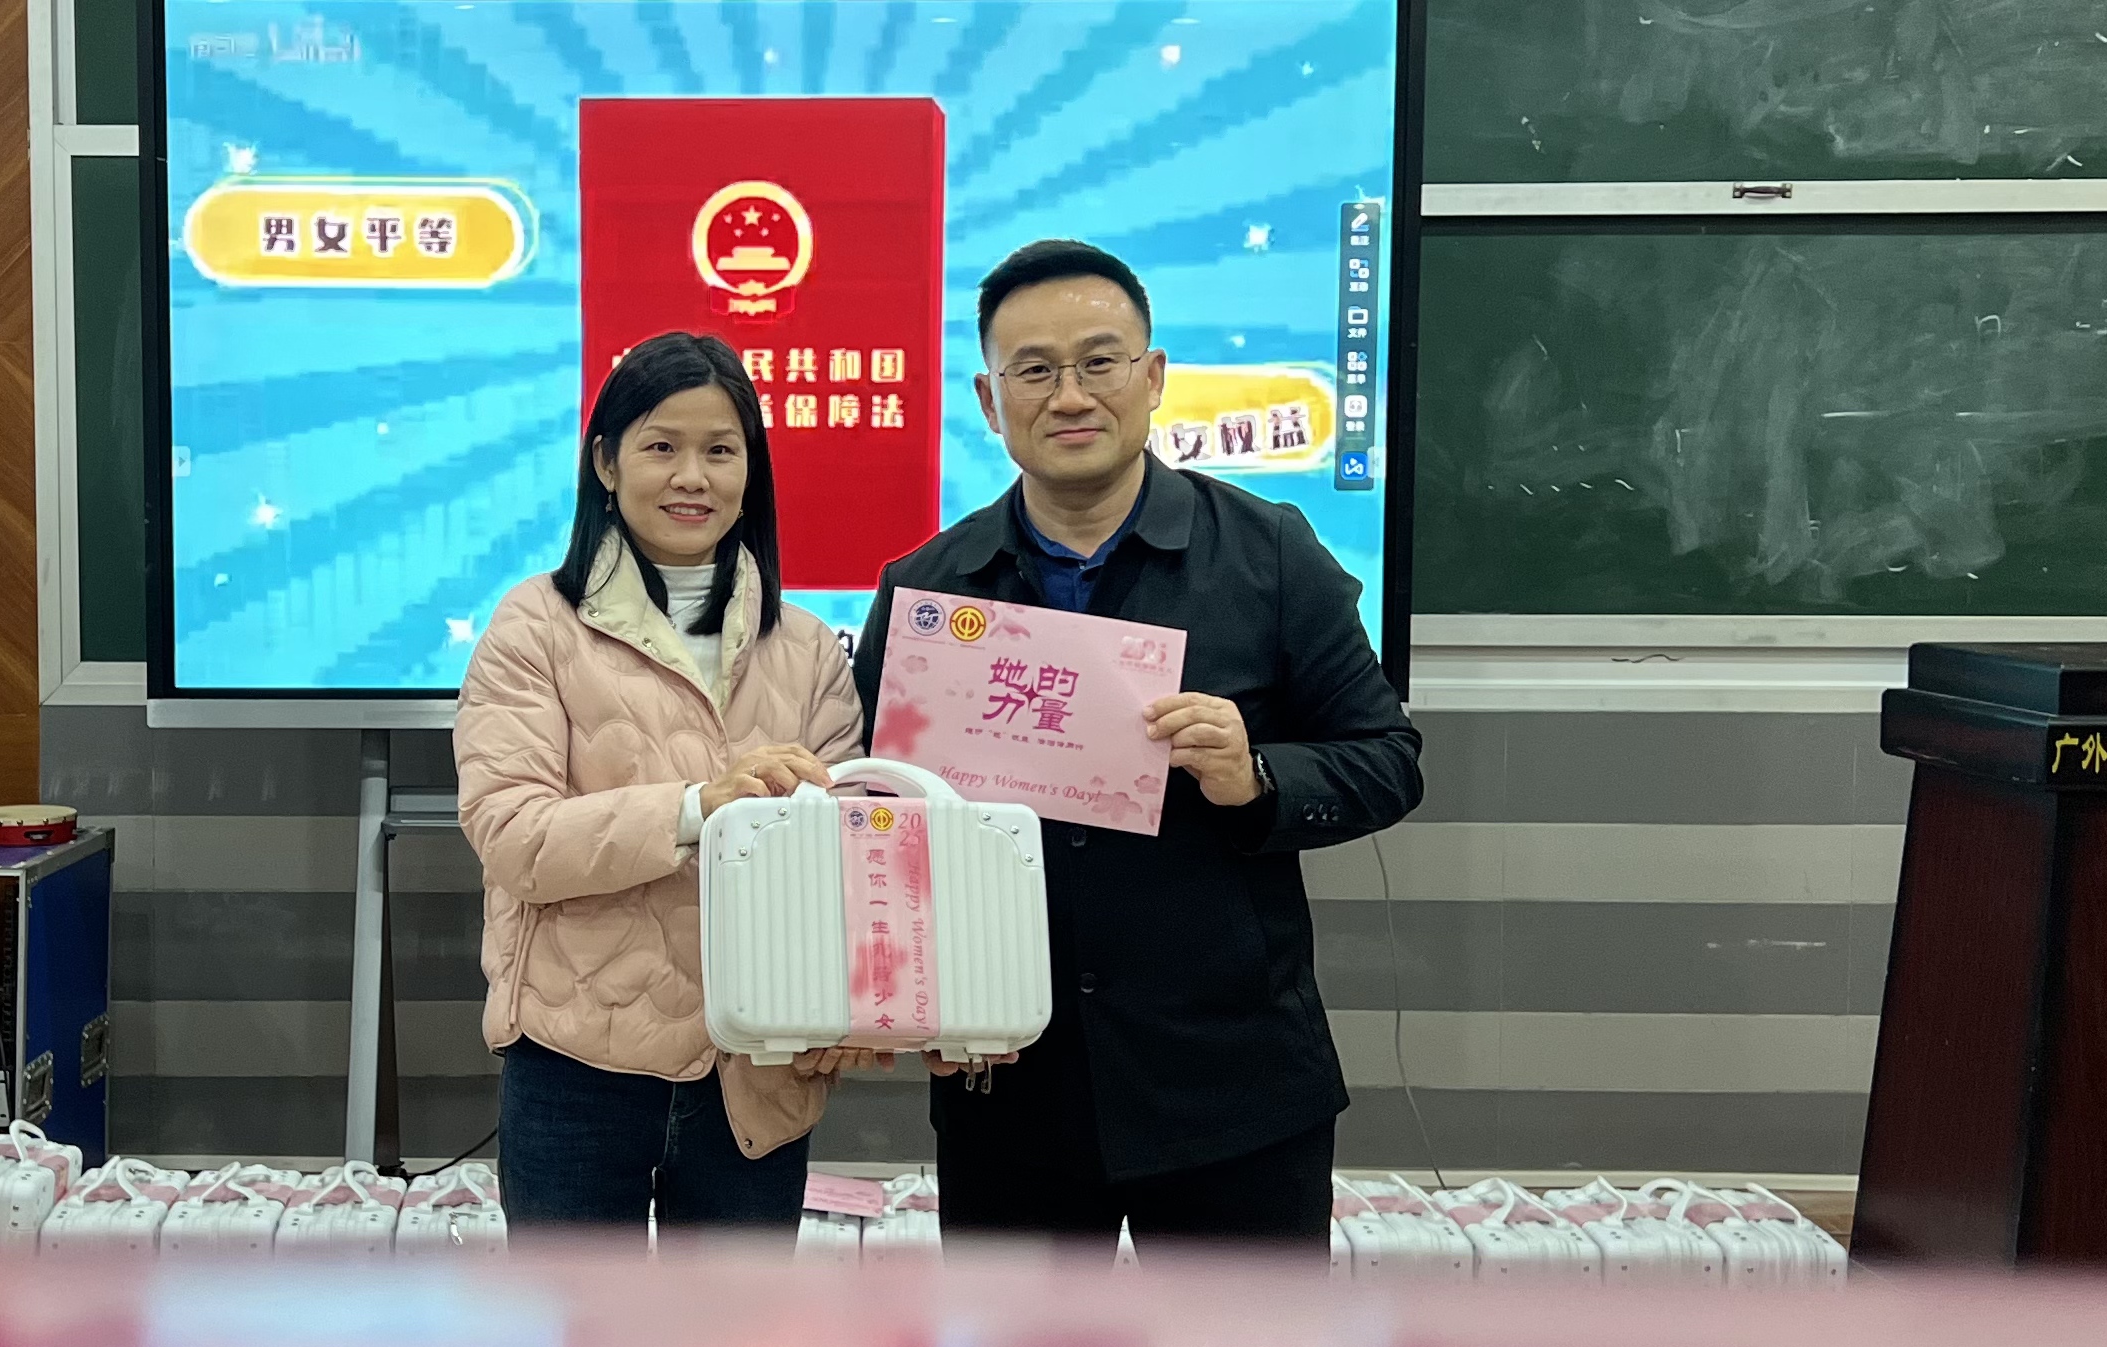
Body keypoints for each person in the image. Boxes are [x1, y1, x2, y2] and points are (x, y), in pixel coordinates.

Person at [851, 240, 1422, 1254]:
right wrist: (907, 1001)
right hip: (1008, 1090)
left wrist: (1258, 777)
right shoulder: (929, 589)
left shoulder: (1269, 553)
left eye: (1098, 361)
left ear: (1152, 377)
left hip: (1233, 1093)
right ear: (989, 401)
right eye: (1034, 370)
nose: (1069, 395)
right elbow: (877, 822)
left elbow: (1388, 757)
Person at [457, 332, 871, 1242]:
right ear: (606, 463)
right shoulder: (535, 627)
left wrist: (850, 1007)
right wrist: (697, 807)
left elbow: (851, 861)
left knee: (735, 1335)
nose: (693, 476)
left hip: (755, 1063)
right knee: (576, 1331)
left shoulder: (807, 648)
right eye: (660, 446)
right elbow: (514, 836)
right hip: (575, 1062)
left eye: (721, 450)